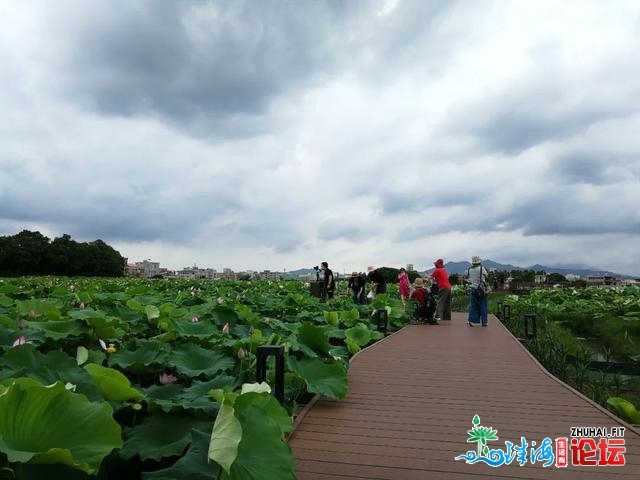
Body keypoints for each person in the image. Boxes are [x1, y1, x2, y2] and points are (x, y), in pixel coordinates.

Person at [467, 256, 489, 327]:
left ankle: (472, 321)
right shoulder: (482, 268)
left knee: (473, 305)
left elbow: (469, 279)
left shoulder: (469, 269)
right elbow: (486, 276)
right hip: (481, 289)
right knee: (483, 305)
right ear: (479, 262)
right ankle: (484, 322)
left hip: (473, 288)